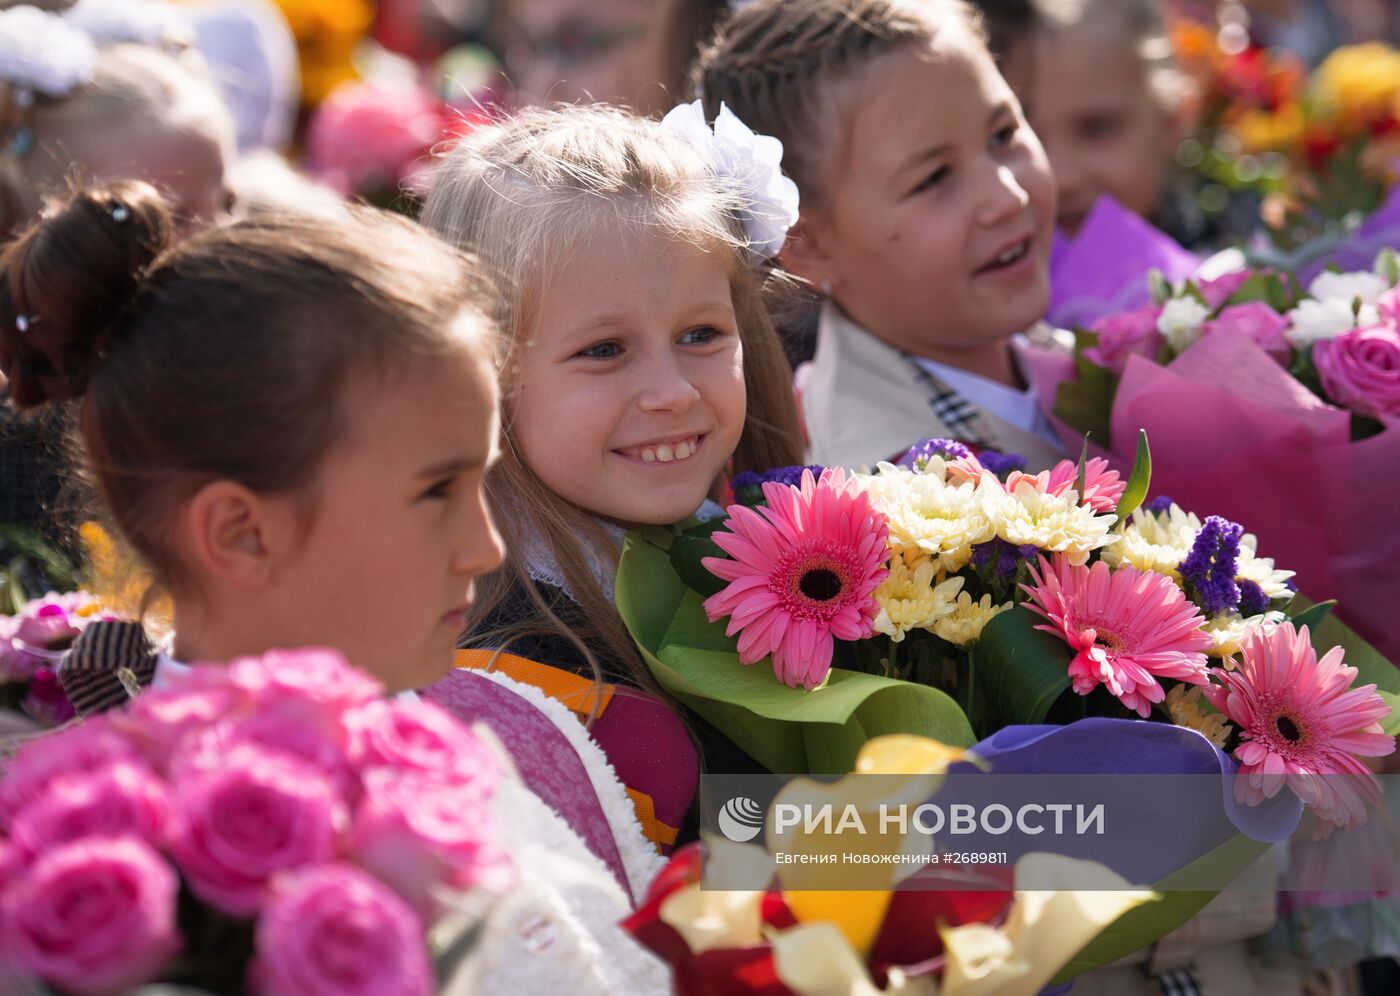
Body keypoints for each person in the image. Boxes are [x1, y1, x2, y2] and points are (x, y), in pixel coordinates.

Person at [422, 102, 806, 847]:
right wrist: (983, 837)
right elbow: (744, 864)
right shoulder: (520, 687)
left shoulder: (772, 549)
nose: (672, 392)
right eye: (604, 350)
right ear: (483, 374)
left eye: (701, 335)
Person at [695, 0, 1067, 471]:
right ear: (806, 244)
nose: (1007, 196)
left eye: (1003, 134)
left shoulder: (1060, 350)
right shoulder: (906, 494)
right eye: (934, 178)